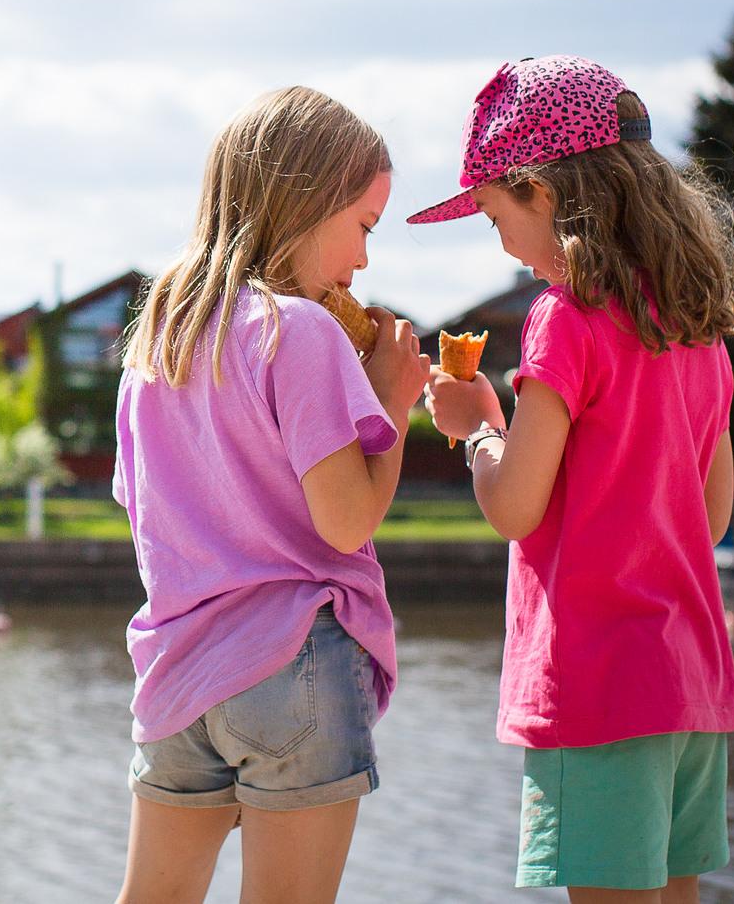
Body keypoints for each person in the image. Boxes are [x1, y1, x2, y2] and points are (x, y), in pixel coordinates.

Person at [412, 55, 734, 902]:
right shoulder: (697, 324)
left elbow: (517, 505)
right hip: (691, 682)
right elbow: (708, 518)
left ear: (545, 192)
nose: (500, 243)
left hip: (598, 684)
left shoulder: (564, 317)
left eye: (494, 214)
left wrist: (476, 429)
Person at [112, 85, 431, 904]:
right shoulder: (303, 331)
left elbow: (141, 506)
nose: (363, 262)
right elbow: (347, 519)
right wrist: (392, 398)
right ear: (307, 199)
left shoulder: (157, 341)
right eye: (362, 226)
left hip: (180, 675)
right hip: (293, 662)